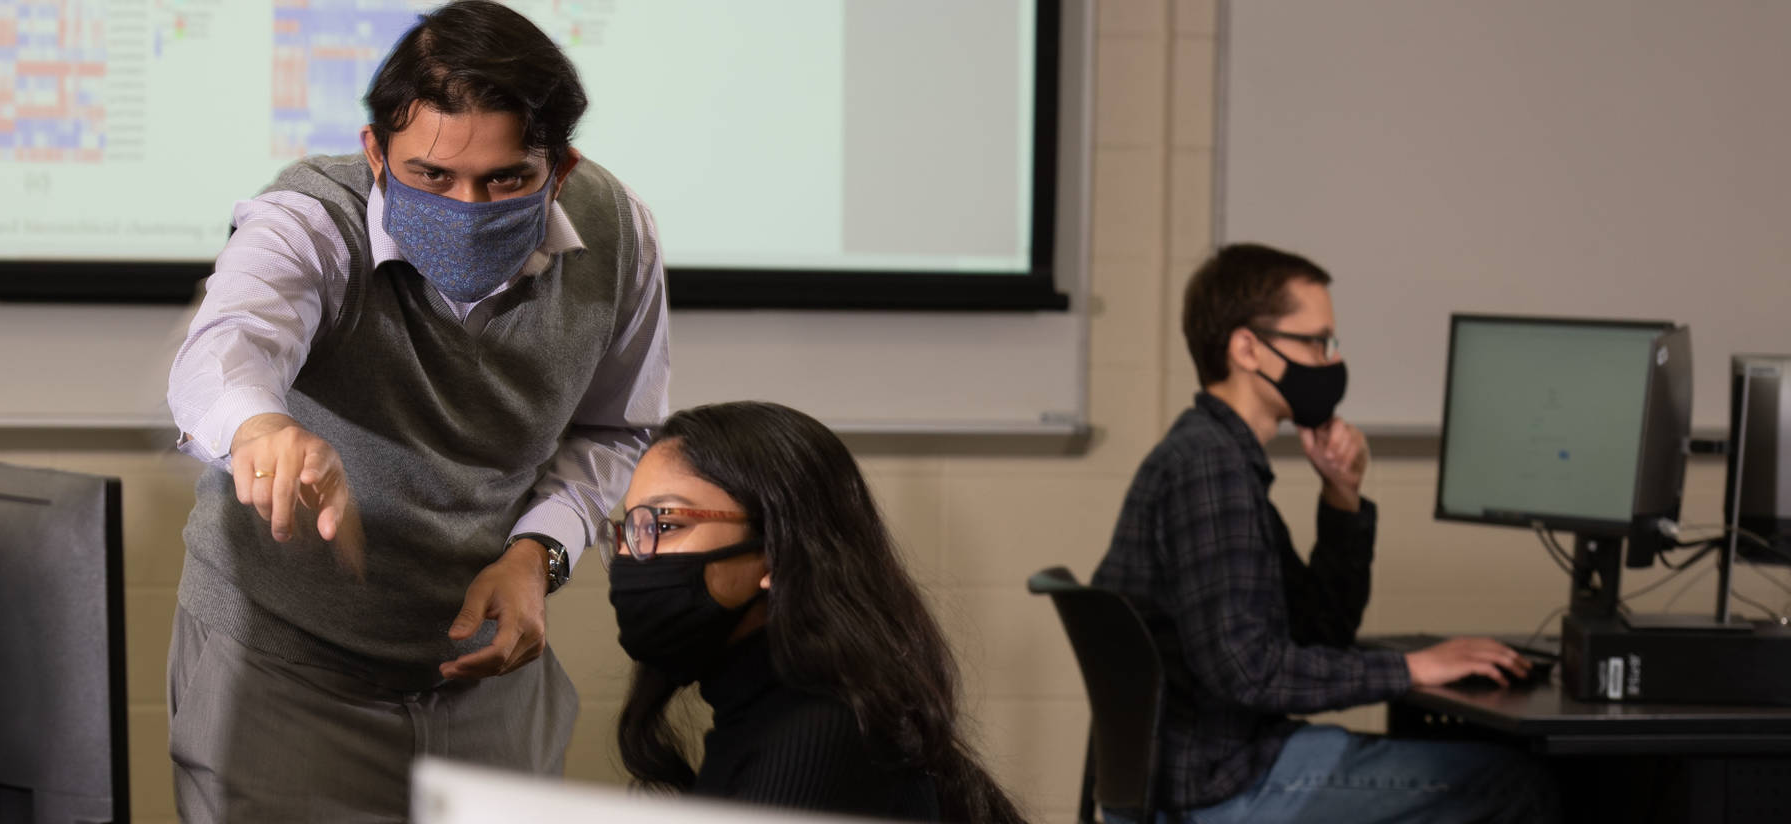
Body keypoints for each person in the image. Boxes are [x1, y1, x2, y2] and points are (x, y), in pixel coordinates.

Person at [162, 2, 668, 820]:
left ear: (561, 169)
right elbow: (229, 344)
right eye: (432, 176)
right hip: (283, 669)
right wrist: (261, 426)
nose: (466, 208)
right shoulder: (312, 217)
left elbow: (616, 429)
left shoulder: (620, 235)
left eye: (507, 180)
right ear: (376, 152)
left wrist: (538, 555)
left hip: (487, 676)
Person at [1092, 244, 1559, 823]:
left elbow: (1320, 632)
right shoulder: (1209, 470)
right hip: (1222, 788)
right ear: (1246, 348)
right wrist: (1412, 669)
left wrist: (1341, 496)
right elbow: (1247, 670)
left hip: (1215, 769)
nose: (1330, 360)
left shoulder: (1218, 458)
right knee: (1515, 782)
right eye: (1317, 342)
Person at [602, 401, 1027, 823]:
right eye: (627, 532)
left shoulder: (823, 732)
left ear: (775, 547)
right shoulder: (757, 711)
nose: (630, 555)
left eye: (664, 525)